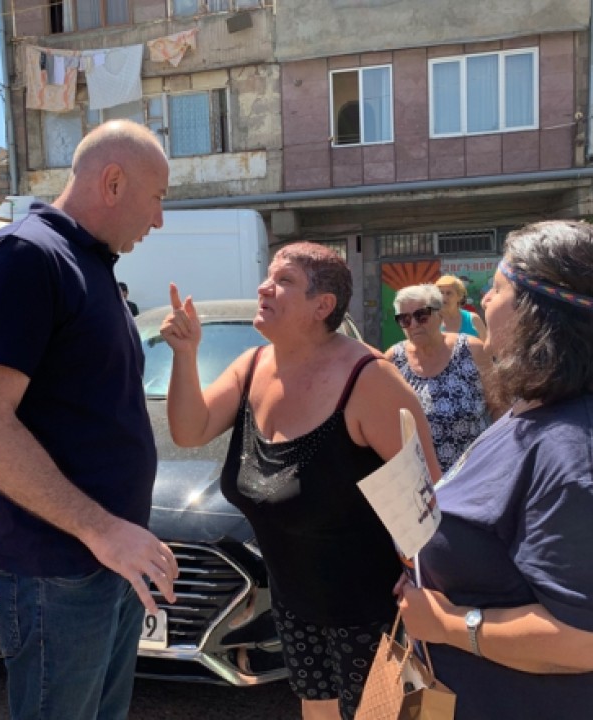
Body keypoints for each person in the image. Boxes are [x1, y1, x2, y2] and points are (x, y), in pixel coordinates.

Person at [397, 221, 593, 720]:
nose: (484, 300)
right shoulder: (538, 409)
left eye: (497, 288)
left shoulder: (582, 457)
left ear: (537, 314)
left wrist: (446, 623)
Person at [0, 120, 179, 720]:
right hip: (62, 571)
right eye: (157, 198)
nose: (158, 219)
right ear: (113, 182)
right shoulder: (29, 255)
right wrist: (101, 529)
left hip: (104, 562)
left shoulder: (88, 262)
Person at [160, 242, 441, 720]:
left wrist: (424, 583)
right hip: (295, 603)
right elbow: (190, 431)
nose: (263, 288)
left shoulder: (369, 380)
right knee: (318, 712)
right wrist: (185, 355)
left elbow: (429, 494)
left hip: (374, 611)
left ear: (322, 306)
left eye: (283, 281)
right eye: (268, 277)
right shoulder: (252, 366)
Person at [385, 283, 493, 472]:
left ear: (439, 314)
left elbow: (499, 406)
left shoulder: (471, 350)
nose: (414, 325)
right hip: (421, 479)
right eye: (405, 319)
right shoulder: (393, 360)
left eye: (421, 315)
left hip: (473, 472)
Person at [435, 274, 485, 339]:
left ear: (459, 297)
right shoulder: (431, 321)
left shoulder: (473, 320)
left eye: (449, 293)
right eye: (441, 293)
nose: (444, 297)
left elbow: (486, 345)